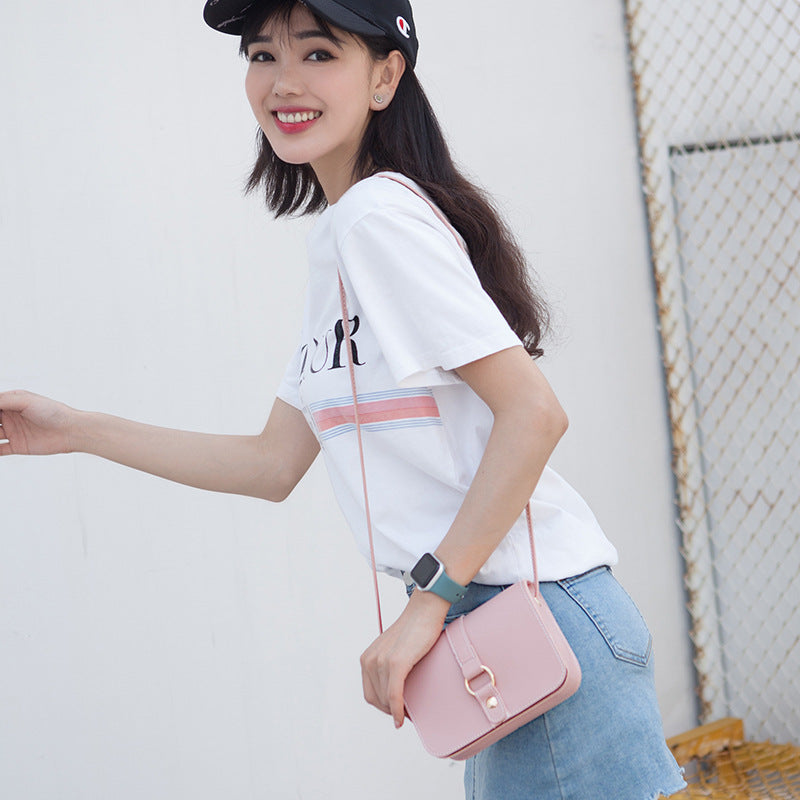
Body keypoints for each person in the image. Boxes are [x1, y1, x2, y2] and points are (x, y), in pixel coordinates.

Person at [0, 1, 687, 797]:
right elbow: (271, 464)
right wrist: (73, 429)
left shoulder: (376, 219)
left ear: (386, 77)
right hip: (504, 629)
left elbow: (534, 414)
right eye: (262, 56)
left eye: (319, 54)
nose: (283, 83)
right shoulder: (345, 237)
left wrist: (428, 602)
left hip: (529, 621)